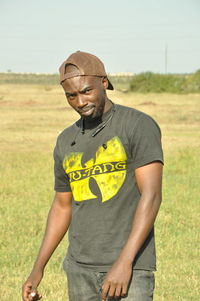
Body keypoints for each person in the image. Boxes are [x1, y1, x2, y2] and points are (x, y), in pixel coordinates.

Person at [22, 51, 163, 301]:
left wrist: (124, 262)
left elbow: (151, 197)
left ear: (104, 82)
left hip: (130, 268)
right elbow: (62, 206)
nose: (80, 102)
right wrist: (37, 268)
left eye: (87, 91)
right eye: (71, 95)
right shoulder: (66, 140)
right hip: (79, 269)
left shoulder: (137, 125)